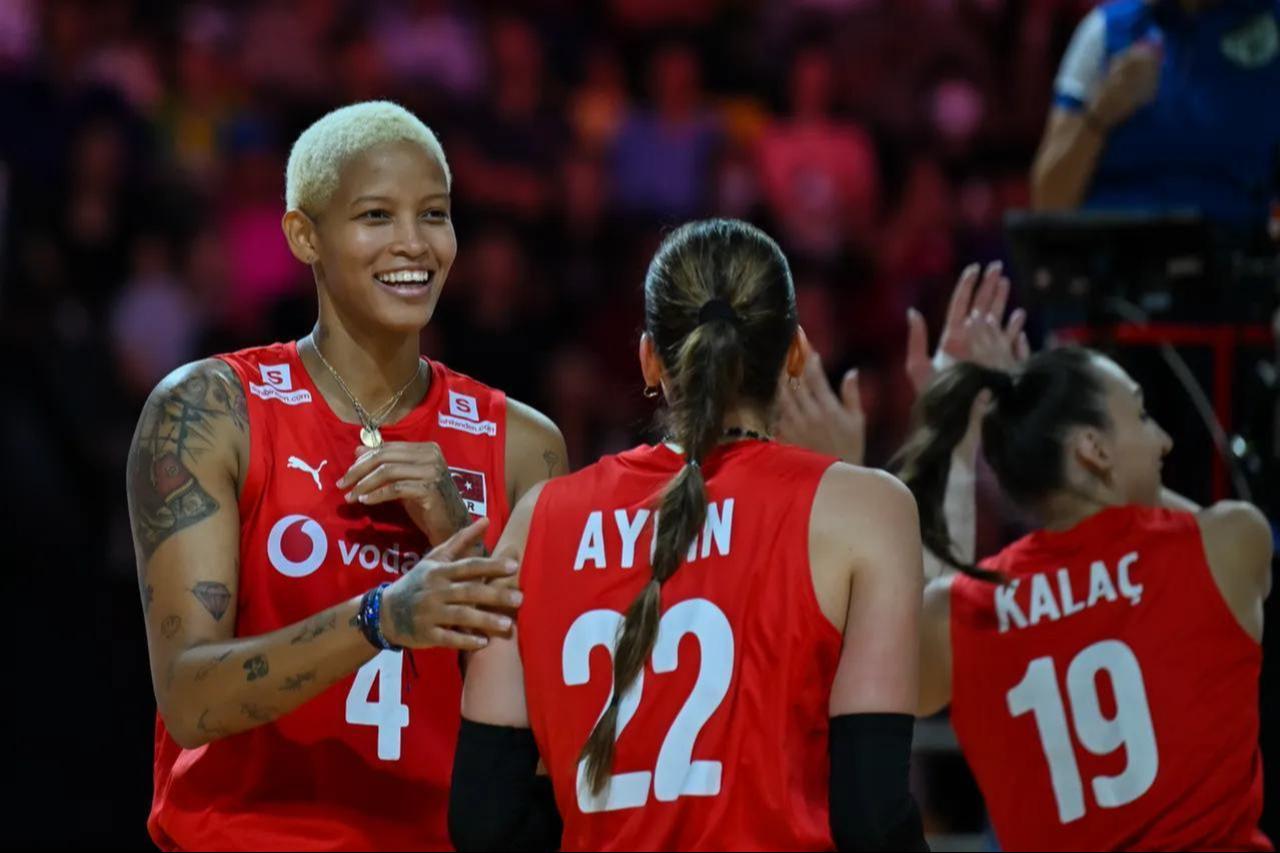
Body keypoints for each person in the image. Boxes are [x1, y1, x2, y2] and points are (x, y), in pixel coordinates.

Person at [127, 100, 567, 851]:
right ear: (305, 235)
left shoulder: (522, 444)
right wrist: (381, 618)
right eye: (375, 215)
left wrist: (459, 530)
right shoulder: (210, 409)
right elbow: (189, 695)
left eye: (434, 213)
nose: (413, 243)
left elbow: (558, 726)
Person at [448, 218, 928, 852]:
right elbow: (873, 817)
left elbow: (485, 822)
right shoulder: (866, 510)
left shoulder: (538, 520)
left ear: (650, 357)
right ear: (796, 353)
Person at [899, 344, 1274, 851]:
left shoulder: (959, 611)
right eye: (1141, 415)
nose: (1162, 440)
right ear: (1093, 450)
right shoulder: (1230, 544)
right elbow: (1187, 529)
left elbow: (909, 662)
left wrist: (967, 445)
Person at [1031, 0, 1280, 235]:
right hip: (1112, 261)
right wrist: (1101, 113)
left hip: (1232, 260)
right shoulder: (1106, 31)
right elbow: (1048, 203)